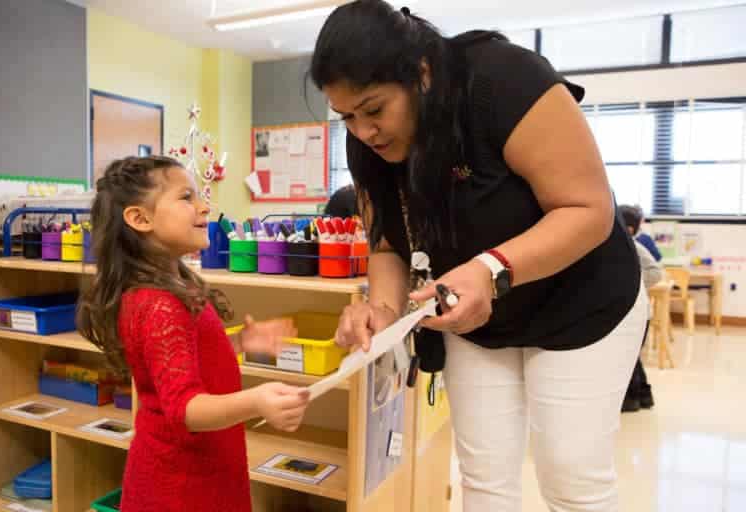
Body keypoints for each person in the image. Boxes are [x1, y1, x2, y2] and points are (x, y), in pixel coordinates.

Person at [311, 2, 645, 511]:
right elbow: (386, 244)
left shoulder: (501, 80)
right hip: (474, 315)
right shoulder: (367, 143)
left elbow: (589, 209)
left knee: (572, 478)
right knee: (483, 479)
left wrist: (490, 270)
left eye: (375, 110)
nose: (362, 132)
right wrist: (380, 311)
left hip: (582, 303)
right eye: (346, 117)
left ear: (420, 74)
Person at [77, 156, 310, 512]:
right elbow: (184, 408)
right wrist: (257, 402)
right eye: (187, 198)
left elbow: (180, 360)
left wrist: (241, 343)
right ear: (141, 219)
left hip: (201, 467)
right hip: (182, 487)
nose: (204, 206)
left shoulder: (166, 290)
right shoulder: (159, 305)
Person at [620, 205, 664, 412]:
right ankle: (645, 396)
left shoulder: (634, 246)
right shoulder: (623, 245)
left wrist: (631, 286)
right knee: (632, 355)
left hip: (637, 312)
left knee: (628, 357)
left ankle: (631, 399)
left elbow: (655, 272)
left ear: (627, 229)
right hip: (627, 311)